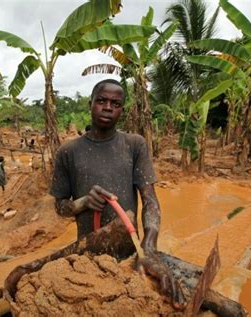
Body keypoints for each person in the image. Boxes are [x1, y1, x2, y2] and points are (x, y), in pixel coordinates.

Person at [50, 79, 178, 303]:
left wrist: (148, 249)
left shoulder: (134, 145)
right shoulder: (68, 152)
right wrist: (83, 203)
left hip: (131, 252)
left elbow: (150, 201)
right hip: (87, 255)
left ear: (122, 110)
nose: (108, 107)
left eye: (115, 103)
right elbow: (60, 207)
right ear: (90, 104)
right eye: (101, 101)